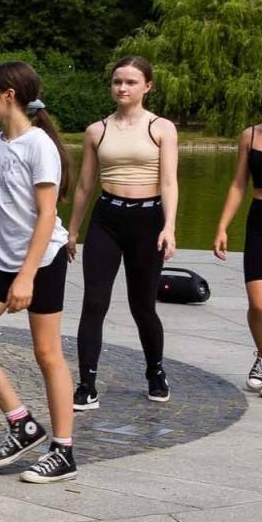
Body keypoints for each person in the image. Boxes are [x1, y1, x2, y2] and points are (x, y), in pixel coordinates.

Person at [0, 61, 77, 483]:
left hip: (41, 260)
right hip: (4, 261)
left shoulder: (38, 145)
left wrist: (26, 276)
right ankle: (22, 423)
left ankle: (64, 451)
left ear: (8, 96)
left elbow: (47, 215)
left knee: (47, 353)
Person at [65, 56, 179, 409]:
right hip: (107, 219)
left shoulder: (161, 128)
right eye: (117, 81)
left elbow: (169, 181)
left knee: (142, 305)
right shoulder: (96, 130)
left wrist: (169, 226)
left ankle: (155, 371)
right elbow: (85, 185)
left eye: (131, 82)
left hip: (148, 220)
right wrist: (72, 230)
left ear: (148, 86)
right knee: (94, 302)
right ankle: (87, 384)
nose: (122, 88)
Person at [213, 68, 262, 399]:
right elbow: (238, 184)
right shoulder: (250, 135)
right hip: (260, 220)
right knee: (259, 304)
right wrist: (222, 226)